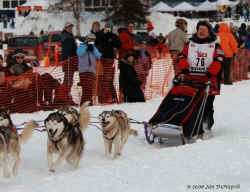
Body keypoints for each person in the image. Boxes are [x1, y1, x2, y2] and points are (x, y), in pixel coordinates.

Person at [178, 20, 224, 136]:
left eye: (204, 30)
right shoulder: (190, 44)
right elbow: (182, 56)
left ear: (209, 32)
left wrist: (209, 73)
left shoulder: (215, 45)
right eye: (200, 30)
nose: (201, 32)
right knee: (189, 103)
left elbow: (219, 61)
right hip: (191, 79)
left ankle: (206, 124)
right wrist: (184, 69)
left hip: (209, 80)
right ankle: (189, 124)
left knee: (207, 104)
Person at [98, 23, 122, 104]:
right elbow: (96, 44)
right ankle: (102, 98)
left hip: (109, 60)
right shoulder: (100, 35)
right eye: (106, 28)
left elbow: (119, 44)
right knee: (101, 79)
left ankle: (112, 97)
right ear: (104, 28)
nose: (107, 30)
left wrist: (112, 40)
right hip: (100, 59)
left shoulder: (113, 36)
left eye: (109, 28)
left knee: (108, 79)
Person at [77, 33, 102, 105]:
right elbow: (79, 53)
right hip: (83, 70)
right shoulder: (81, 46)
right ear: (87, 39)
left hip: (91, 70)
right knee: (85, 87)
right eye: (90, 39)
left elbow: (98, 55)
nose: (92, 41)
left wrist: (93, 49)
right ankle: (84, 102)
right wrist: (86, 48)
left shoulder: (93, 47)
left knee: (90, 87)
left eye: (93, 40)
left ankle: (89, 102)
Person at [61, 22, 77, 104]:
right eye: (69, 28)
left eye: (71, 27)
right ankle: (63, 96)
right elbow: (69, 48)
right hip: (67, 61)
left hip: (71, 61)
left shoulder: (70, 36)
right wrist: (76, 46)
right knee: (67, 80)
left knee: (69, 80)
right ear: (66, 28)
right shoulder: (65, 36)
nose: (71, 29)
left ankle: (66, 95)